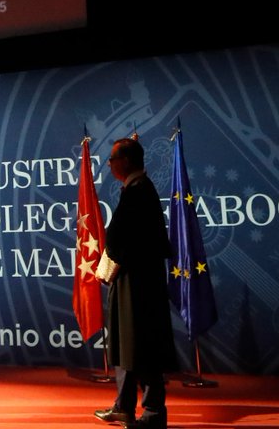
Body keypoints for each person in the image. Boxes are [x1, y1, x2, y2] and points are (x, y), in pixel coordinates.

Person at [94, 136, 176, 429]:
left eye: (113, 158)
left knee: (144, 345)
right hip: (133, 281)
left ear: (126, 161)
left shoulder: (139, 191)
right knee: (128, 344)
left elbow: (121, 238)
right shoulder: (136, 189)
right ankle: (124, 407)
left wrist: (108, 266)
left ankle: (153, 414)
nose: (109, 164)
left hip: (139, 285)